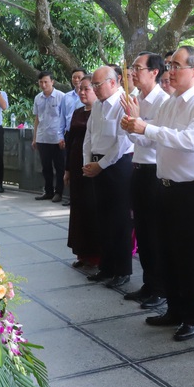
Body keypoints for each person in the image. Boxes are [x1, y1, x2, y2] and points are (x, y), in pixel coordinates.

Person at [122, 45, 194, 342]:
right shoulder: (170, 103)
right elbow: (154, 142)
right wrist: (134, 128)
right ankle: (175, 309)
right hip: (165, 187)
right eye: (169, 65)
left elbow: (192, 140)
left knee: (190, 255)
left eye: (177, 65)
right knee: (169, 252)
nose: (170, 71)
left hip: (192, 190)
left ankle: (192, 314)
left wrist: (146, 129)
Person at [121, 52, 169, 309]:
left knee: (154, 233)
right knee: (141, 228)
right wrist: (129, 125)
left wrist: (136, 123)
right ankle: (148, 284)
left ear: (154, 72)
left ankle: (160, 288)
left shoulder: (163, 101)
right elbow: (134, 139)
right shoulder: (135, 99)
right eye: (133, 69)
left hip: (155, 171)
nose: (133, 73)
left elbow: (153, 139)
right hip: (137, 167)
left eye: (138, 68)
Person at [83, 66, 134, 287]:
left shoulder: (124, 103)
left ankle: (122, 270)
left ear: (113, 83)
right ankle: (106, 266)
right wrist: (87, 162)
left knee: (119, 221)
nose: (94, 89)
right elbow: (89, 135)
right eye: (93, 85)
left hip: (118, 166)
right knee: (102, 218)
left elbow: (123, 142)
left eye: (97, 84)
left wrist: (101, 165)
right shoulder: (97, 105)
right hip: (97, 163)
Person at [64, 75, 101, 268]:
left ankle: (95, 255)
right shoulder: (77, 112)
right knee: (78, 208)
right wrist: (67, 169)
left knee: (92, 208)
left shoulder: (100, 111)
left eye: (87, 88)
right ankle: (81, 253)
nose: (83, 92)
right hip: (76, 162)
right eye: (81, 89)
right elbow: (70, 141)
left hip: (93, 164)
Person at [32, 71, 67, 202]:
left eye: (46, 81)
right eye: (41, 82)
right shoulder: (37, 98)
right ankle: (48, 191)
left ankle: (59, 192)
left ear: (52, 81)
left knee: (59, 167)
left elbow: (65, 118)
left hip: (57, 138)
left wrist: (63, 137)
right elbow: (37, 118)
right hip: (42, 137)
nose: (43, 84)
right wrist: (35, 138)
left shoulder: (61, 97)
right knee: (45, 167)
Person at [59, 68, 87, 206]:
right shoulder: (67, 97)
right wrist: (61, 135)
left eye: (79, 77)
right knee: (70, 164)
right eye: (74, 77)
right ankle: (71, 195)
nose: (76, 80)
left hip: (85, 137)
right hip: (71, 134)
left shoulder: (93, 101)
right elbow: (62, 118)